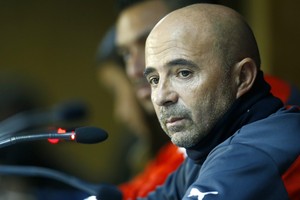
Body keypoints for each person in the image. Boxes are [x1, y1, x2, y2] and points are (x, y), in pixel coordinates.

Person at [138, 3, 300, 199]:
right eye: (154, 80)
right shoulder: (208, 148)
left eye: (184, 73)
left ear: (242, 77)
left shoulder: (253, 153)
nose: (162, 97)